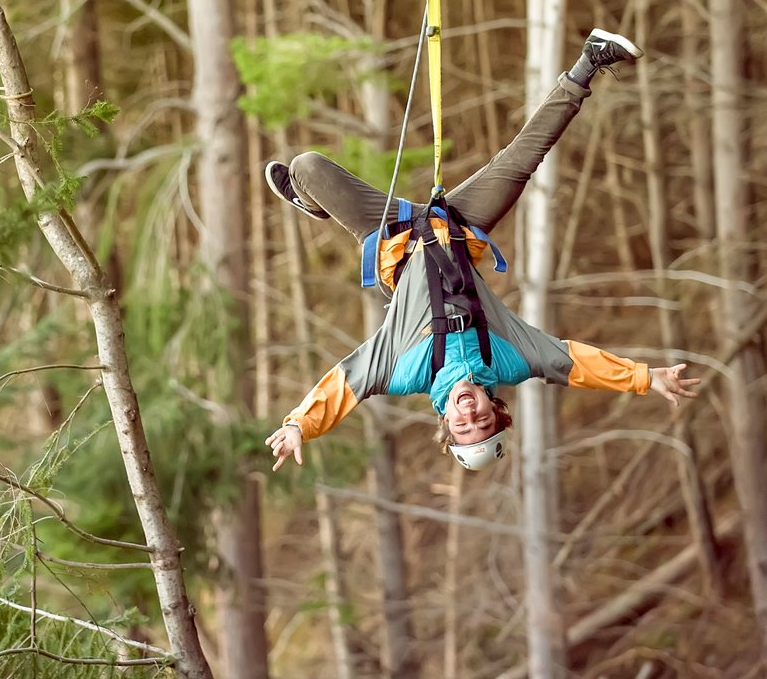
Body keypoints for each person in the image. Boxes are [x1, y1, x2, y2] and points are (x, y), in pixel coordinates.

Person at [262, 29, 701, 471]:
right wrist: (645, 378)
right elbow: (578, 364)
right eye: (483, 423)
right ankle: (590, 60)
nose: (470, 416)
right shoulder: (512, 358)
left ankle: (308, 197)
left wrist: (301, 423)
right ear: (497, 411)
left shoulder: (401, 370)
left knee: (306, 166)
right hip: (458, 225)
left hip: (395, 235)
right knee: (523, 157)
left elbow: (344, 384)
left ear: (444, 420)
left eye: (463, 427)